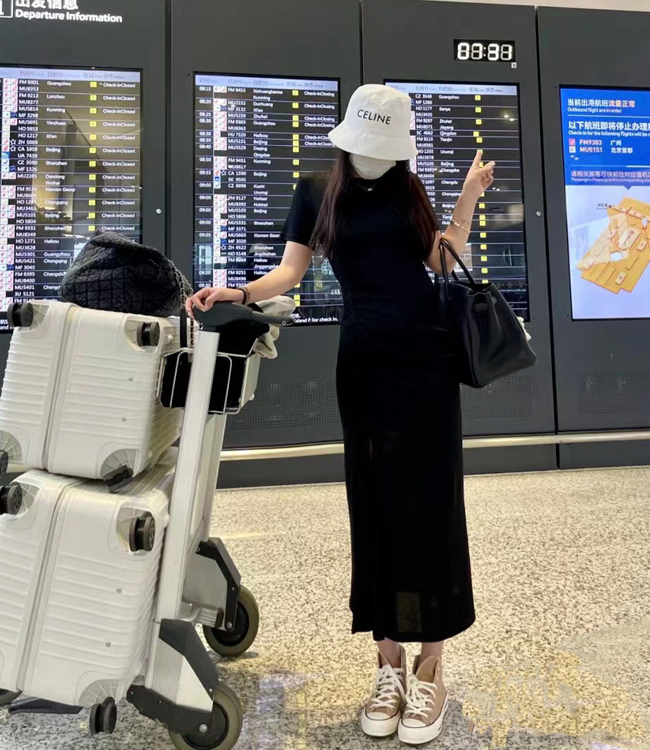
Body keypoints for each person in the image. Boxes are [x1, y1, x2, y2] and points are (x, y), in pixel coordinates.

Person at [186, 84, 494, 746]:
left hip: (427, 361)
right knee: (375, 503)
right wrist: (237, 292)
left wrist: (467, 198)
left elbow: (438, 261)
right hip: (365, 362)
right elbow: (289, 273)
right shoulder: (316, 190)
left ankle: (431, 669)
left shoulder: (408, 187)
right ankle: (388, 665)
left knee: (431, 504)